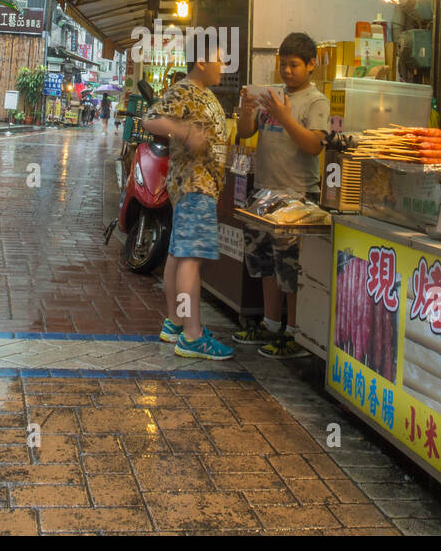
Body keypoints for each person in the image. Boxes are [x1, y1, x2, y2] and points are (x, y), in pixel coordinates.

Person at [233, 32, 330, 358]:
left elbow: (315, 145)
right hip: (264, 194)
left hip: (297, 198)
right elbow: (246, 133)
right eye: (283, 65)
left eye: (294, 65)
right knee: (264, 265)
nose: (287, 71)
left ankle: (295, 334)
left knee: (292, 270)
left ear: (311, 65)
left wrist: (285, 116)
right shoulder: (271, 96)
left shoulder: (316, 101)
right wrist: (246, 110)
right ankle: (271, 324)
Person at [141, 44, 234, 360]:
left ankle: (176, 323)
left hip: (198, 186)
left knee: (179, 256)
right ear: (203, 61)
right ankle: (193, 336)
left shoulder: (202, 93)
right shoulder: (185, 91)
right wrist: (182, 131)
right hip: (195, 185)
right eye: (219, 59)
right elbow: (150, 119)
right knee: (190, 259)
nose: (223, 65)